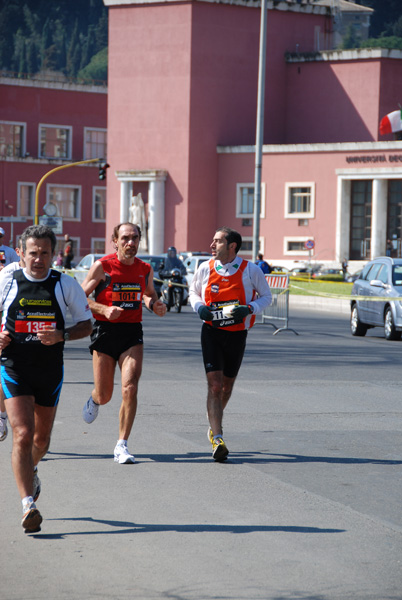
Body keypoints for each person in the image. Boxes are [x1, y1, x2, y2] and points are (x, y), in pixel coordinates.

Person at [0, 225, 92, 533]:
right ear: (21, 253)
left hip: (49, 369)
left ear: (54, 255)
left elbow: (86, 325)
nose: (38, 260)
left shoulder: (65, 285)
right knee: (23, 434)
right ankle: (28, 505)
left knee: (41, 441)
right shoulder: (7, 280)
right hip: (14, 365)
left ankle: (33, 469)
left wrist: (61, 334)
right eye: (33, 253)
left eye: (45, 253)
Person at [81, 222, 166, 464]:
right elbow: (80, 297)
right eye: (125, 238)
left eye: (135, 238)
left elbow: (149, 294)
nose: (131, 243)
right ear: (115, 241)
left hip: (131, 332)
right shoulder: (103, 267)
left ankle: (122, 444)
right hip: (105, 331)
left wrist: (155, 306)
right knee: (106, 394)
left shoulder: (144, 268)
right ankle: (95, 398)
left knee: (130, 387)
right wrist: (104, 309)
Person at [189, 227, 272, 462]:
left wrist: (249, 309)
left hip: (237, 334)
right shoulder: (205, 267)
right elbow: (193, 292)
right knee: (214, 386)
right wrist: (200, 307)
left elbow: (267, 296)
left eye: (217, 241)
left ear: (232, 246)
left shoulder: (250, 270)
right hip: (212, 332)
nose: (212, 245)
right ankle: (218, 437)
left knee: (226, 386)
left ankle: (214, 422)